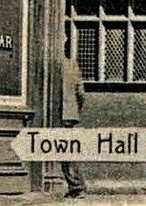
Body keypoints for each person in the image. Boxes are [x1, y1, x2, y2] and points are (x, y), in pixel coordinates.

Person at [61, 34, 87, 197]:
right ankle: (76, 185)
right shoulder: (72, 64)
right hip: (69, 114)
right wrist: (75, 110)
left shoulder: (55, 64)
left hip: (58, 114)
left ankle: (77, 186)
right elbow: (81, 93)